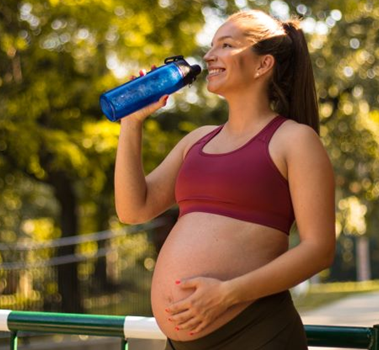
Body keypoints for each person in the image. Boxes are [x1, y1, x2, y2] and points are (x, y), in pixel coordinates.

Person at [114, 9, 335, 350]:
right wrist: (131, 123)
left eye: (226, 45)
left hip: (256, 334)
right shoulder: (196, 141)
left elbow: (319, 250)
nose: (208, 56)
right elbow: (133, 209)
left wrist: (227, 294)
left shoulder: (295, 141)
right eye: (211, 44)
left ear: (264, 64)